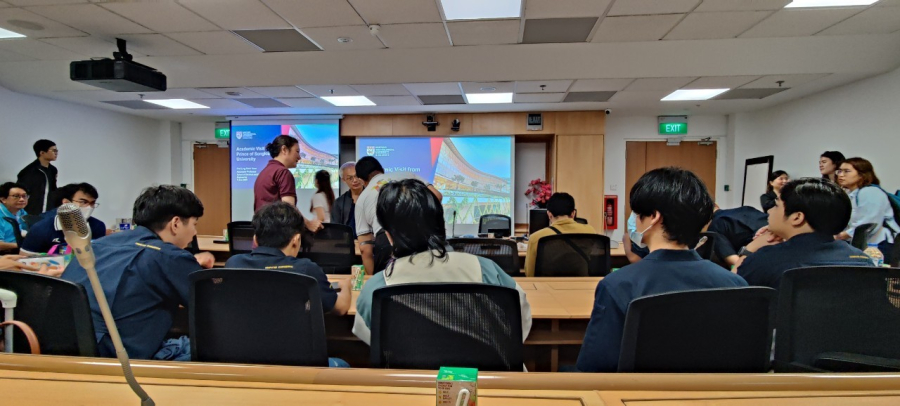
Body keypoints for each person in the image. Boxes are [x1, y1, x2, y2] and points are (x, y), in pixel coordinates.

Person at [576, 168, 747, 373]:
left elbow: (596, 367)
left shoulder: (618, 285)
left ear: (654, 217)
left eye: (637, 214)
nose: (634, 221)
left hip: (639, 391)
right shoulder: (736, 285)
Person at [352, 179, 531, 345]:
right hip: (482, 369)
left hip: (410, 370)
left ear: (389, 237)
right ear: (440, 223)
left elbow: (371, 340)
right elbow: (520, 322)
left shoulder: (376, 290)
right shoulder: (486, 270)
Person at [61, 185, 216, 360]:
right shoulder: (170, 256)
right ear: (176, 224)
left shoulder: (97, 245)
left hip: (69, 351)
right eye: (194, 224)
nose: (194, 232)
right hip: (123, 358)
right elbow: (215, 307)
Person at [736, 178, 873, 289]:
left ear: (797, 218)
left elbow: (732, 290)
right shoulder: (862, 260)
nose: (770, 211)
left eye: (776, 205)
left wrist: (749, 250)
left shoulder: (766, 258)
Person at [225, 201, 351, 316]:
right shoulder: (306, 270)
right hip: (292, 335)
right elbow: (340, 308)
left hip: (242, 334)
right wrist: (346, 286)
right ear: (296, 240)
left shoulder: (233, 264)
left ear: (255, 240)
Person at [354, 156, 442, 274]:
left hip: (386, 243)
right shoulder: (407, 175)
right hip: (421, 234)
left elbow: (365, 249)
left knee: (388, 283)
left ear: (361, 180)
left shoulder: (362, 199)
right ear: (382, 170)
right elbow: (437, 196)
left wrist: (370, 279)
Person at [253, 135, 321, 232]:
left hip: (262, 233)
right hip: (278, 233)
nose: (299, 157)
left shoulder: (263, 172)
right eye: (297, 151)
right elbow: (289, 207)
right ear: (284, 149)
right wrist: (308, 224)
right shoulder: (283, 172)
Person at [835, 158, 897, 263]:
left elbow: (868, 223)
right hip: (864, 245)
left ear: (861, 175)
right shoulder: (851, 194)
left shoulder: (870, 192)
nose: (841, 175)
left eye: (846, 171)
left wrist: (839, 236)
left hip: (880, 246)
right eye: (839, 171)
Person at [20, 183, 106, 255]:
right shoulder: (41, 228)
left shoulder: (97, 226)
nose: (89, 207)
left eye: (92, 203)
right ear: (66, 203)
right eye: (83, 202)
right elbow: (25, 259)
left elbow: (100, 256)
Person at [524, 193, 596, 276]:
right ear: (573, 213)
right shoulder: (590, 231)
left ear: (549, 214)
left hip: (547, 283)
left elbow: (529, 273)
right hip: (582, 283)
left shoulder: (536, 237)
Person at [17, 139, 58, 215]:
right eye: (53, 151)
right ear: (42, 153)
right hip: (31, 212)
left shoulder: (53, 170)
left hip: (48, 212)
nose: (56, 153)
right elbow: (22, 193)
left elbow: (53, 190)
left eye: (57, 151)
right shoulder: (29, 171)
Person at [331, 162, 364, 235]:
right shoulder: (339, 203)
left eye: (357, 176)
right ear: (343, 180)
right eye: (350, 178)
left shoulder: (372, 196)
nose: (355, 180)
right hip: (348, 240)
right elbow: (335, 230)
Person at [0, 182, 29, 253]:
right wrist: (22, 245)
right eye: (16, 196)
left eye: (24, 196)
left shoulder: (22, 212)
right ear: (3, 199)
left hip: (17, 250)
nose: (22, 199)